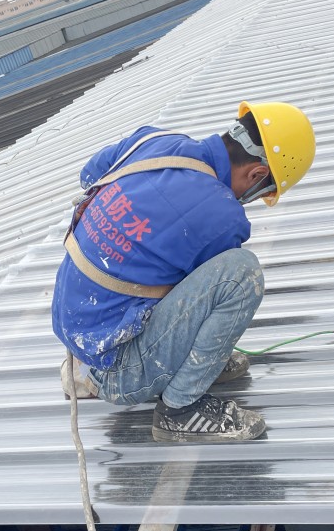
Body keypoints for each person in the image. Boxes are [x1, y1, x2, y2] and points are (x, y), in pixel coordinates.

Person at [51, 101, 315, 443]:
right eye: (263, 191)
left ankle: (107, 370)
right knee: (240, 274)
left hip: (77, 336)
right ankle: (180, 409)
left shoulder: (153, 141)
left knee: (170, 263)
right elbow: (206, 294)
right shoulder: (223, 216)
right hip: (117, 371)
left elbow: (90, 176)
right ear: (257, 175)